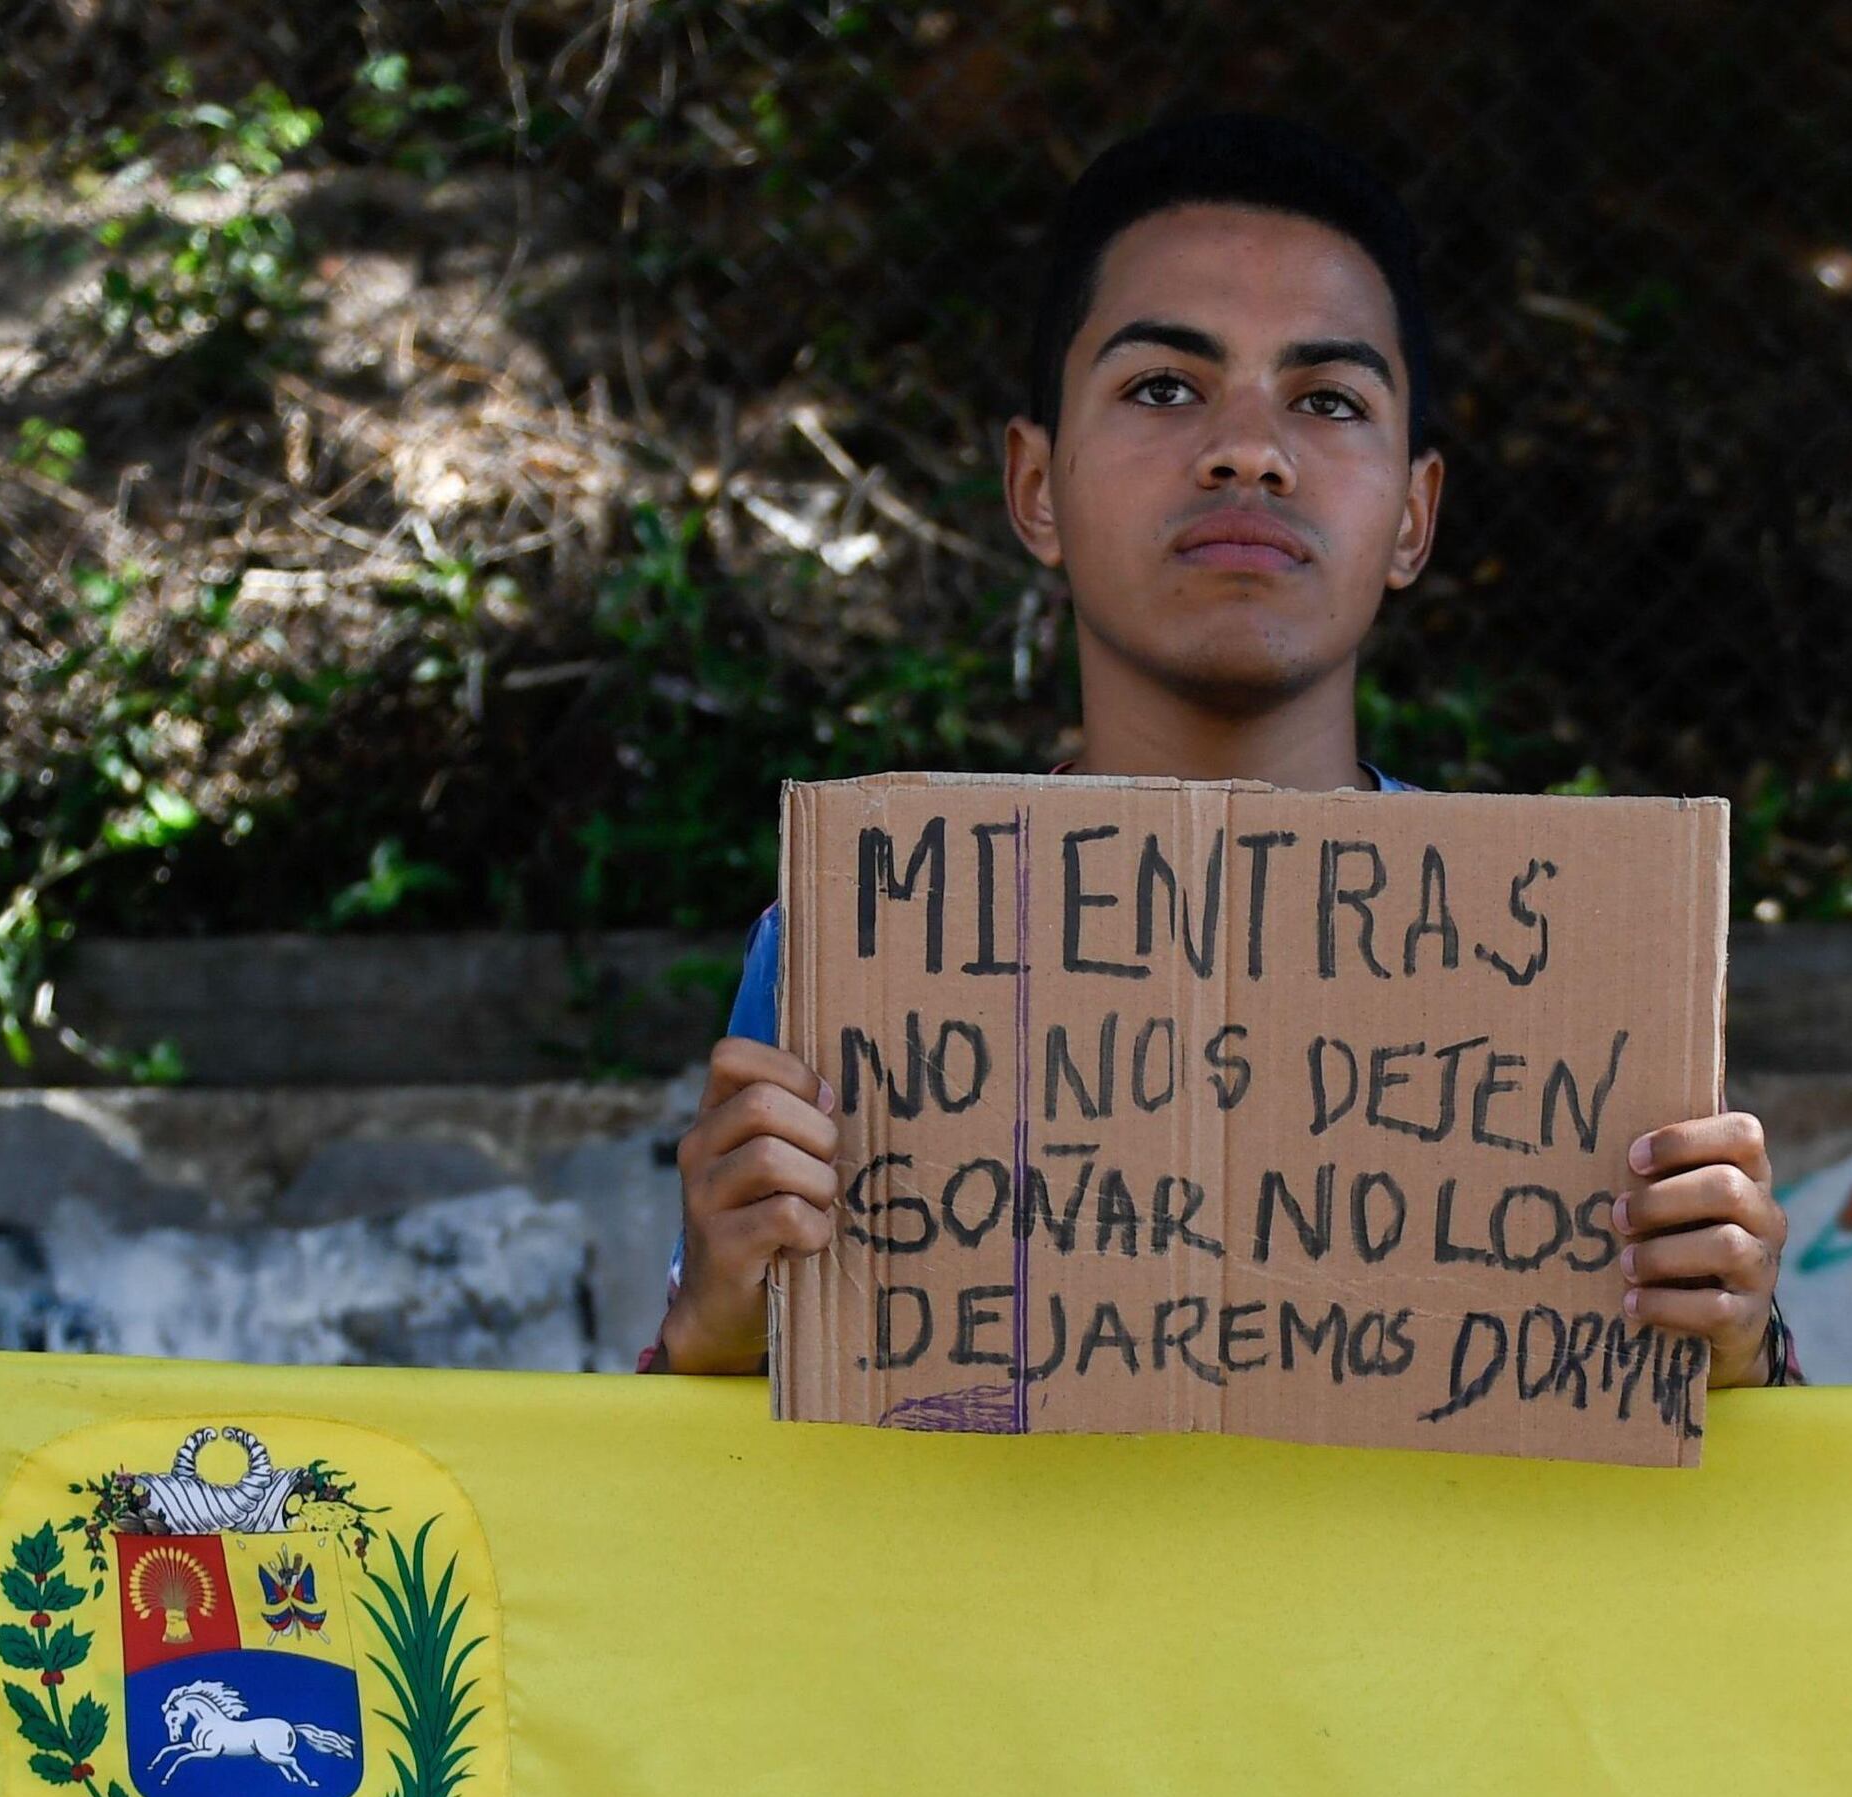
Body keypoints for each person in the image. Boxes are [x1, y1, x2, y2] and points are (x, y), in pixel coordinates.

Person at [647, 113, 1793, 1392]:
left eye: (1326, 400)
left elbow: (1709, 1533)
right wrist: (707, 1329)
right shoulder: (853, 953)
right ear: (1035, 488)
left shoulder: (1568, 974)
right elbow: (728, 1537)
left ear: (1412, 517)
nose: (1248, 448)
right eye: (1162, 387)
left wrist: (1740, 1350)